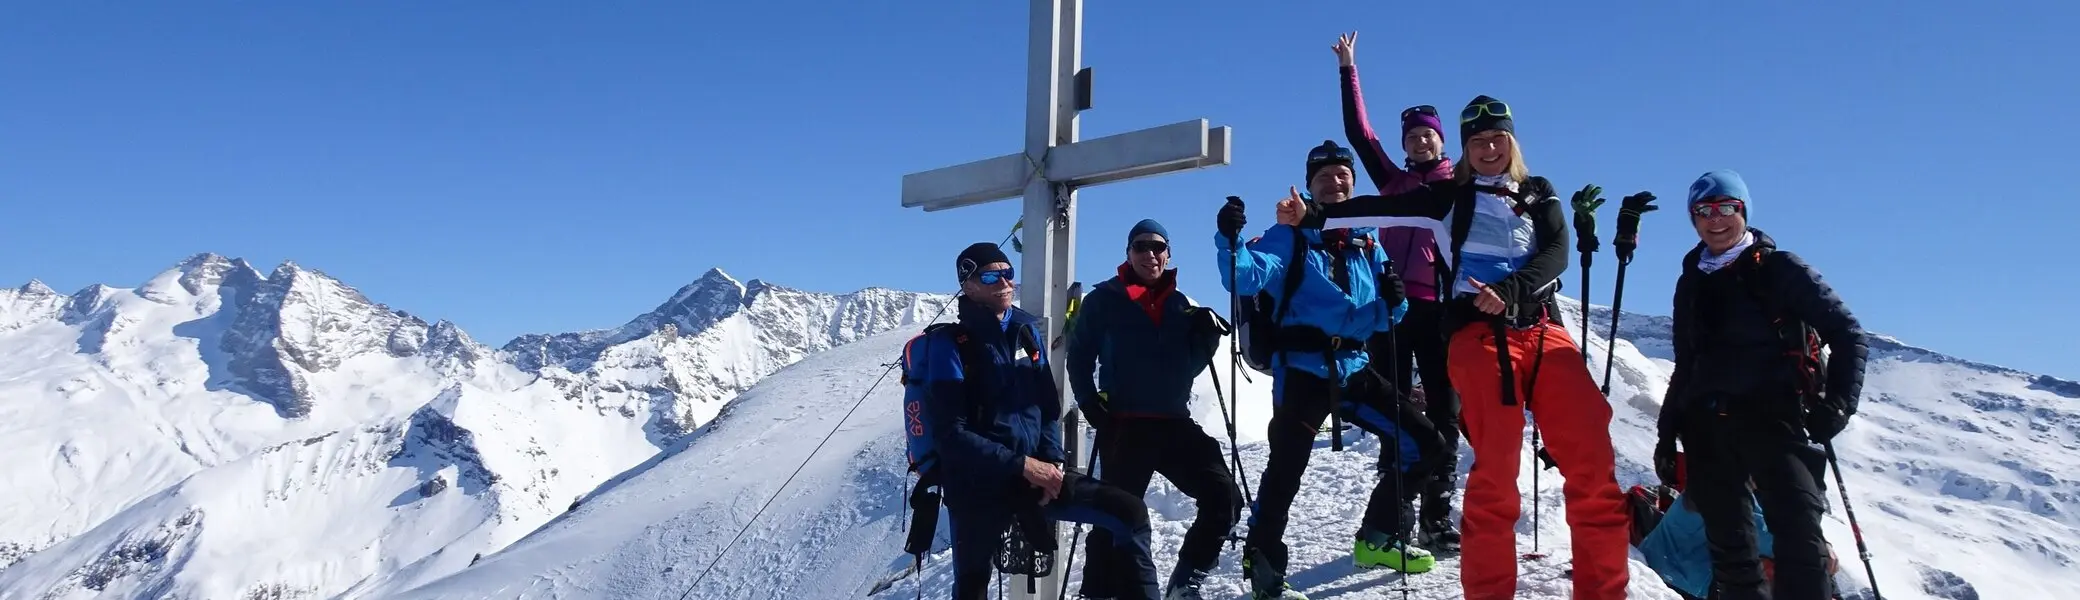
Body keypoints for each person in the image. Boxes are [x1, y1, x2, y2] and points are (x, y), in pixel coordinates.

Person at [1304, 96, 1634, 600]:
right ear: (1463, 149)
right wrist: (1317, 215)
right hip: (1479, 337)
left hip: (1544, 330)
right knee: (1495, 474)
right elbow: (1379, 207)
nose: (1488, 148)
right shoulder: (1447, 197)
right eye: (1476, 141)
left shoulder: (1538, 191)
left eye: (1496, 138)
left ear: (1512, 141)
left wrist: (1512, 291)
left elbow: (1556, 253)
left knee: (1593, 466)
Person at [1214, 140, 1445, 600]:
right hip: (1301, 370)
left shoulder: (1365, 241)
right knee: (1284, 471)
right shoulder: (1288, 235)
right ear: (1309, 187)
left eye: (1343, 175)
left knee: (1425, 443)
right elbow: (1244, 277)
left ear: (1353, 185)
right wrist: (1231, 240)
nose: (1335, 182)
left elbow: (1385, 315)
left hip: (1354, 366)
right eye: (1324, 177)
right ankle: (1263, 566)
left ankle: (1379, 535)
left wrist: (1394, 304)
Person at [1654, 170, 1868, 600]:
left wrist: (1839, 405)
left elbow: (1848, 335)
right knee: (1732, 555)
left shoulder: (1780, 268)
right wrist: (1666, 432)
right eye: (1704, 211)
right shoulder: (1690, 281)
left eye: (1726, 208)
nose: (1716, 220)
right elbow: (1686, 364)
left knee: (1800, 544)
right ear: (1693, 219)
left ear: (1744, 211)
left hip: (1776, 418)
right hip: (1707, 428)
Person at [910, 242, 1164, 600]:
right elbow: (952, 434)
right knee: (972, 584)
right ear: (968, 286)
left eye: (1008, 272)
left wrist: (1051, 462)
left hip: (1034, 476)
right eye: (990, 275)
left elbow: (1047, 407)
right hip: (976, 486)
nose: (1004, 281)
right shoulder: (950, 346)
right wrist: (1024, 466)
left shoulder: (1027, 333)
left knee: (1130, 513)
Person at [1332, 31, 1463, 551]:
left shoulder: (1458, 183)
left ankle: (1437, 514)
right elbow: (1359, 134)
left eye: (1426, 135)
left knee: (1444, 411)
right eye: (1410, 137)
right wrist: (1349, 69)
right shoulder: (1391, 182)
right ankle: (1398, 514)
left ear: (1441, 139)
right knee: (1396, 415)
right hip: (1390, 309)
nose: (1418, 142)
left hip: (1438, 311)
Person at [1066, 219, 1243, 600]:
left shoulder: (1180, 305)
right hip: (1126, 425)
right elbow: (1078, 355)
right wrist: (1089, 403)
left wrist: (1206, 340)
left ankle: (1186, 579)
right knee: (1114, 516)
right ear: (1128, 254)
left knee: (1224, 497)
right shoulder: (1105, 299)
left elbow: (1185, 370)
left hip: (1174, 423)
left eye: (1158, 247)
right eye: (1141, 246)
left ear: (1168, 255)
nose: (1150, 253)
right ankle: (1097, 592)